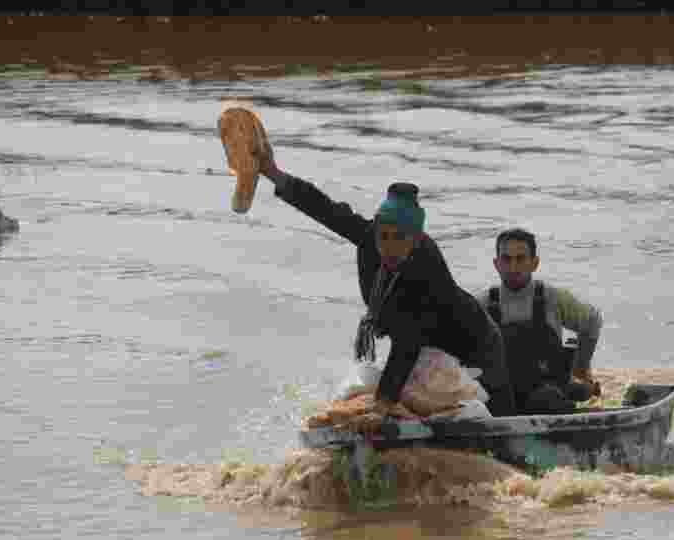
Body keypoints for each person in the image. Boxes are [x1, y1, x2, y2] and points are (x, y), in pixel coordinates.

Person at [255, 137, 517, 417]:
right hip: (427, 352)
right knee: (385, 398)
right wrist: (272, 172)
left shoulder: (426, 264)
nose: (389, 247)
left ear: (416, 238)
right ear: (376, 229)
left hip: (473, 346)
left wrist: (382, 405)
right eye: (384, 236)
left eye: (400, 238)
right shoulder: (367, 237)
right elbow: (322, 208)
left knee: (493, 414)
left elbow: (409, 340)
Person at [475, 228, 603, 415]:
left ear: (534, 263)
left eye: (520, 259)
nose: (513, 267)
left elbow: (593, 321)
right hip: (501, 399)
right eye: (506, 259)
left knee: (548, 398)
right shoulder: (481, 305)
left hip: (548, 397)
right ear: (496, 264)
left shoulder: (553, 298)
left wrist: (581, 369)